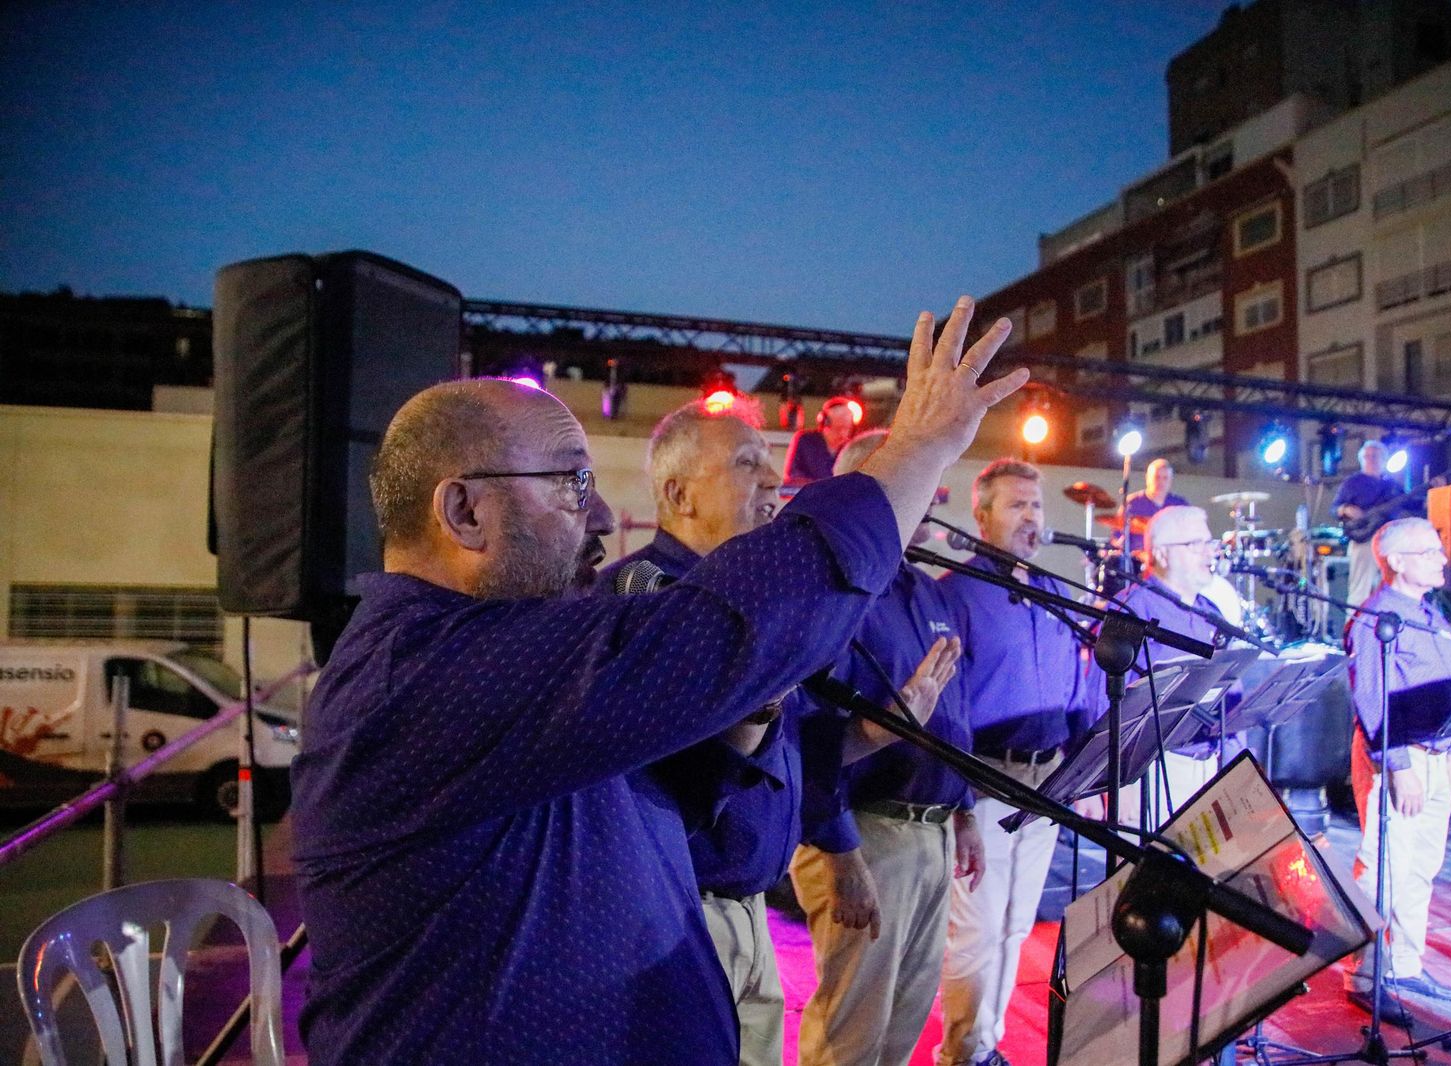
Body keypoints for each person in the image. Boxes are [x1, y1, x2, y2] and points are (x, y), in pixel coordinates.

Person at [288, 296, 1030, 1064]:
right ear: (466, 511)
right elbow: (725, 628)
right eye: (572, 484)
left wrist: (747, 703)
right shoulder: (426, 673)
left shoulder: (503, 664)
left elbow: (657, 796)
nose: (604, 515)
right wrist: (917, 447)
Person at [602, 403, 958, 1066]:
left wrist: (883, 729)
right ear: (678, 495)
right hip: (679, 920)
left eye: (769, 460)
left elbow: (790, 751)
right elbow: (678, 777)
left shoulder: (747, 601)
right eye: (746, 463)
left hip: (746, 912)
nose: (775, 479)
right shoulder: (648, 600)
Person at [791, 429, 983, 1066]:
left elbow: (949, 711)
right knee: (852, 1031)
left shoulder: (925, 589)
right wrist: (841, 858)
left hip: (930, 834)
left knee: (901, 1024)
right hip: (867, 836)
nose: (929, 495)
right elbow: (804, 736)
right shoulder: (836, 588)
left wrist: (964, 811)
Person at [937, 458, 1086, 1066]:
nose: (1031, 516)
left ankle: (987, 1043)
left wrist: (1083, 766)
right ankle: (964, 1053)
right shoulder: (957, 594)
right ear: (981, 516)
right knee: (974, 931)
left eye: (1036, 505)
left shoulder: (1052, 592)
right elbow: (945, 706)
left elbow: (1079, 688)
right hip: (986, 784)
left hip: (1048, 783)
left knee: (1016, 926)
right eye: (1016, 505)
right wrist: (957, 801)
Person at [1341, 516, 1451, 1024]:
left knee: (1421, 868)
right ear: (1394, 561)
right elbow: (1372, 700)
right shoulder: (1376, 619)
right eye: (1430, 552)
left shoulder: (1431, 614)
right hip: (1403, 758)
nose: (1442, 559)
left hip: (1438, 758)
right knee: (1384, 869)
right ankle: (1366, 974)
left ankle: (1407, 964)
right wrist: (1398, 767)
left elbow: (1449, 689)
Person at [1091, 505, 1227, 822]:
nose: (1209, 553)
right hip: (1152, 769)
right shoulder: (1133, 608)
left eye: (1210, 543)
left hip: (1206, 766)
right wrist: (1114, 782)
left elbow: (1228, 692)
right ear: (1163, 555)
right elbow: (1101, 699)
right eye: (1197, 545)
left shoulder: (1211, 611)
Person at [1332, 440, 1415, 607]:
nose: (1370, 459)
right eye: (1367, 456)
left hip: (1388, 540)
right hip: (1364, 539)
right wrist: (1346, 509)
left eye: (1374, 456)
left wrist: (1434, 489)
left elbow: (1413, 504)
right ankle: (1354, 628)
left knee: (1389, 586)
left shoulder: (1392, 486)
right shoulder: (1352, 483)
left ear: (1384, 459)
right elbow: (1334, 508)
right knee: (1360, 588)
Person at [1113, 457, 1187, 556]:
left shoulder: (1181, 505)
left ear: (1170, 480)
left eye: (1165, 478)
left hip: (1172, 563)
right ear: (1147, 478)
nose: (1160, 482)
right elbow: (1116, 537)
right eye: (1157, 477)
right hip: (1137, 563)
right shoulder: (1132, 503)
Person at [785, 396, 859, 486]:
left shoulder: (852, 448)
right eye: (838, 429)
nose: (843, 434)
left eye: (847, 429)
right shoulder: (805, 440)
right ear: (825, 423)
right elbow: (793, 474)